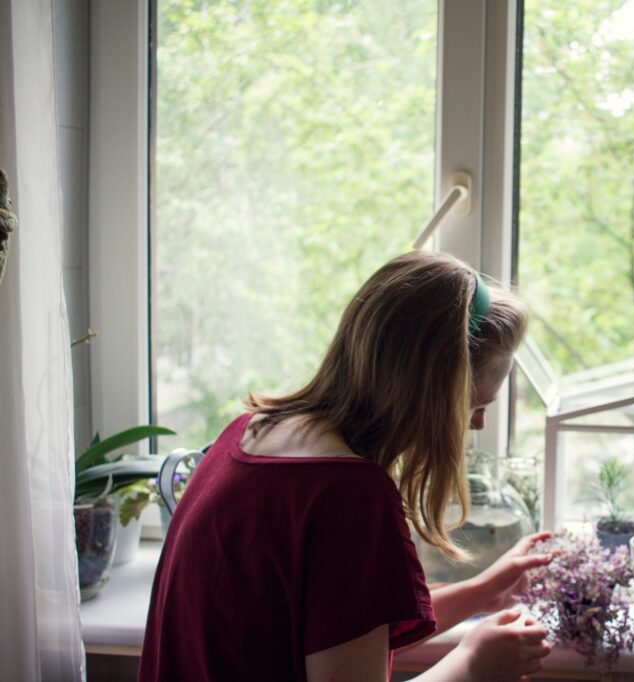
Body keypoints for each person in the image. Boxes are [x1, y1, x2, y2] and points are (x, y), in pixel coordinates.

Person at [139, 251, 553, 681]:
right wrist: (472, 664)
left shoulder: (248, 432)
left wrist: (482, 592)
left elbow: (331, 638)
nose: (476, 424)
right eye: (475, 403)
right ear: (429, 393)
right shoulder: (349, 496)